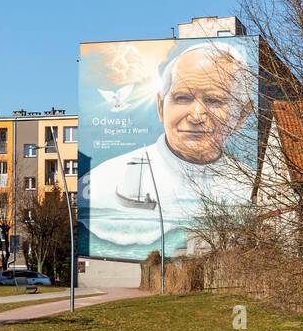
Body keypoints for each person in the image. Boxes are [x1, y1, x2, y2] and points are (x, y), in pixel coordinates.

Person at [84, 41, 256, 259]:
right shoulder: (102, 181)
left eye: (214, 101)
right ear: (160, 107)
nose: (196, 116)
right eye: (182, 98)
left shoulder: (254, 186)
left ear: (242, 115)